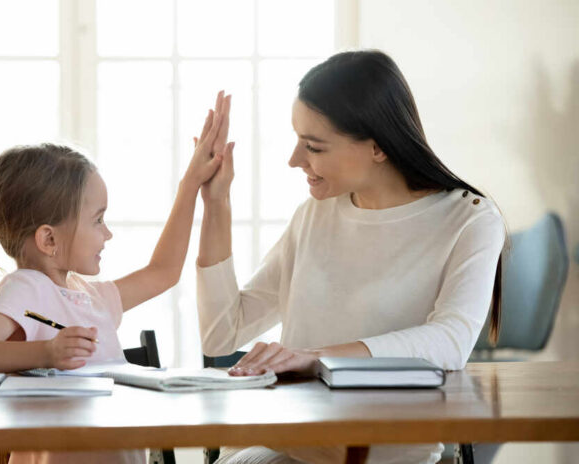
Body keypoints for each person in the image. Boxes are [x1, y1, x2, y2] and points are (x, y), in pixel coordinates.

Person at [195, 50, 506, 464]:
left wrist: (318, 357)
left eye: (314, 147)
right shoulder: (314, 215)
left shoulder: (469, 219)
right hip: (287, 443)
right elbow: (222, 334)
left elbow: (450, 341)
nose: (294, 160)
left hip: (388, 452)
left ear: (377, 146)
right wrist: (217, 204)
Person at [0, 92, 232, 464]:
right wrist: (45, 352)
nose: (107, 233)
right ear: (49, 239)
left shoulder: (87, 297)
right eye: (98, 220)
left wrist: (191, 185)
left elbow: (163, 272)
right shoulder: (26, 289)